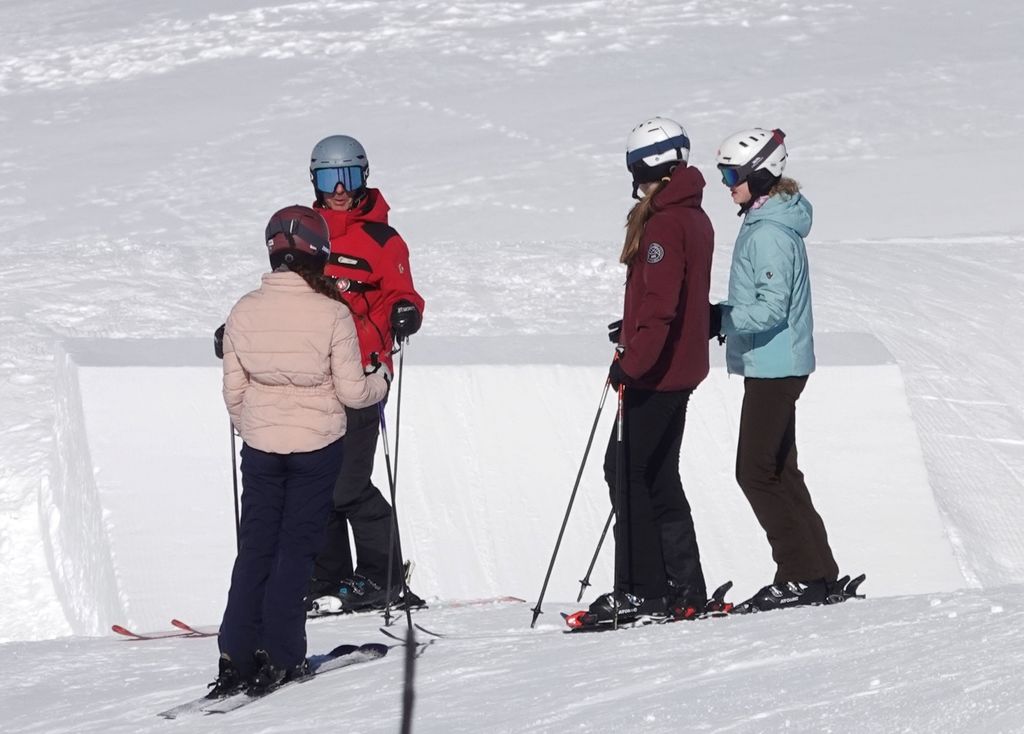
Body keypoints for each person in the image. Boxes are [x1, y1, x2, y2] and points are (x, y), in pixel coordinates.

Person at [210, 205, 390, 697]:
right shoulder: (332, 313)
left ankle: (237, 651)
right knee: (296, 550)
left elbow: (233, 390)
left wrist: (252, 425)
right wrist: (382, 381)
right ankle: (282, 652)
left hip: (261, 446)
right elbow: (353, 393)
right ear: (320, 253)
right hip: (316, 447)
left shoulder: (244, 310)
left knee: (256, 548)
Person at [582, 117, 715, 626]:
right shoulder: (691, 214)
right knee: (657, 476)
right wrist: (633, 327)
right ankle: (684, 586)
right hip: (677, 366)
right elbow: (670, 301)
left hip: (657, 373)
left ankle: (642, 591)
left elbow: (661, 306)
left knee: (627, 473)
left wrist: (630, 362)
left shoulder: (663, 222)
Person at [711, 128, 840, 612]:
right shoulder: (769, 220)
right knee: (780, 469)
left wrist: (717, 318)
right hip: (777, 362)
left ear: (758, 173)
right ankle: (818, 572)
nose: (727, 184)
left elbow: (769, 310)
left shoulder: (768, 232)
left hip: (774, 364)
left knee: (754, 472)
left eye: (731, 174)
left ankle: (799, 575)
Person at [304, 134, 426, 614]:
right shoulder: (307, 231)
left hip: (365, 372)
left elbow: (405, 293)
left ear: (363, 177)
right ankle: (329, 579)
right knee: (318, 480)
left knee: (347, 485)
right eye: (330, 177)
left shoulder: (382, 239)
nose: (339, 188)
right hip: (315, 375)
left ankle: (383, 576)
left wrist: (405, 313)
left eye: (349, 176)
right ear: (314, 179)